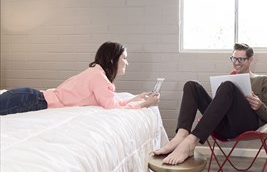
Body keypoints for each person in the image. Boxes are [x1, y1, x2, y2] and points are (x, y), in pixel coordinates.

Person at [153, 43, 267, 165]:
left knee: (228, 85)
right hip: (224, 126)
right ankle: (181, 135)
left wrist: (260, 106)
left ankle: (191, 141)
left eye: (241, 59)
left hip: (245, 125)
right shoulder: (229, 81)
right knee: (191, 85)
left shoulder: (263, 80)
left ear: (251, 60)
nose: (236, 62)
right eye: (234, 58)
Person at [0, 41, 160, 116]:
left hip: (32, 98)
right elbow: (113, 108)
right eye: (124, 58)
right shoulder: (99, 78)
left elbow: (111, 103)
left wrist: (136, 99)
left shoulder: (97, 74)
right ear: (113, 60)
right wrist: (145, 104)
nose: (127, 62)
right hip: (32, 100)